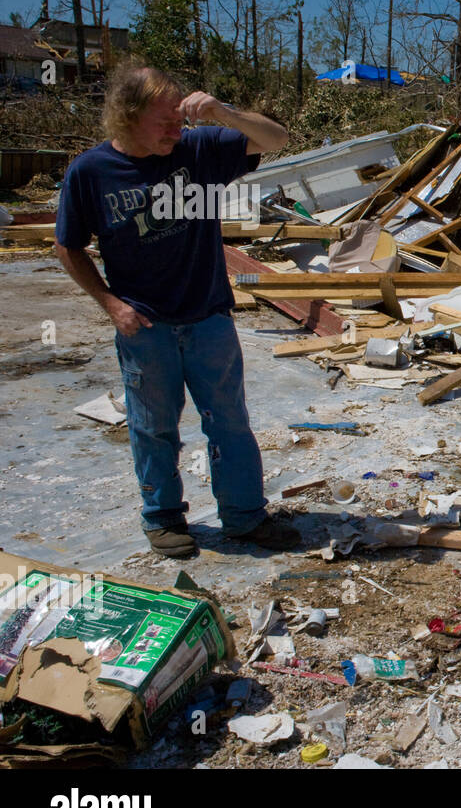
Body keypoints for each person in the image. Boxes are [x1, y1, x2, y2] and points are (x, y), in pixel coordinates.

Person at [54, 65, 300, 558]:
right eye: (164, 121)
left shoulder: (198, 149)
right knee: (153, 428)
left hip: (208, 316)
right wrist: (111, 305)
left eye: (179, 119)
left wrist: (222, 112)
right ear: (127, 117)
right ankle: (164, 519)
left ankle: (245, 517)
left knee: (229, 421)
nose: (176, 130)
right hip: (145, 325)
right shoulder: (92, 172)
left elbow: (277, 139)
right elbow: (69, 246)